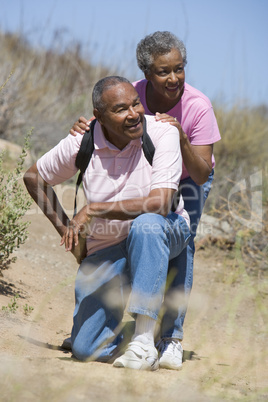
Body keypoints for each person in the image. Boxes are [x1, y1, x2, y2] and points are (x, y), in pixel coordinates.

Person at [70, 31, 221, 369]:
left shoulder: (198, 106)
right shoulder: (133, 94)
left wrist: (181, 138)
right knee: (130, 231)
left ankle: (171, 339)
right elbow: (109, 119)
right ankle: (95, 327)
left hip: (188, 178)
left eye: (179, 69)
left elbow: (199, 173)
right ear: (146, 74)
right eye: (163, 72)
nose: (173, 78)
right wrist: (86, 126)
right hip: (148, 175)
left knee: (181, 242)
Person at [23, 76, 191, 370]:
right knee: (86, 347)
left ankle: (143, 343)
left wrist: (94, 210)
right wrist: (68, 230)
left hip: (165, 231)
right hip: (110, 244)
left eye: (135, 104)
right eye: (120, 109)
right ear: (98, 117)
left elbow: (161, 203)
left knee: (146, 224)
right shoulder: (83, 141)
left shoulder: (162, 133)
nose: (133, 113)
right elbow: (34, 177)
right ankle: (129, 335)